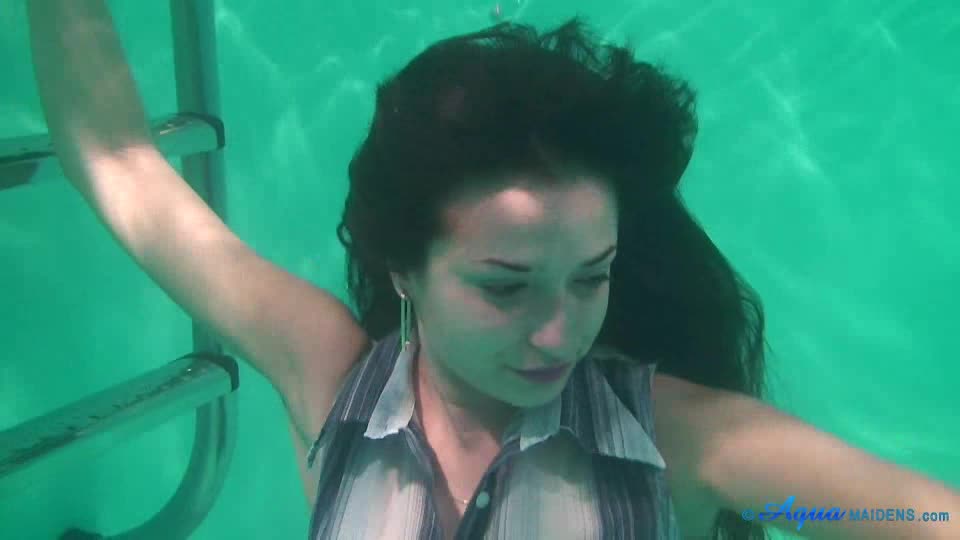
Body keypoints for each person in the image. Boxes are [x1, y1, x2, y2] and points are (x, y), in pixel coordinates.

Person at [25, 1, 959, 539]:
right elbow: (121, 162)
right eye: (505, 286)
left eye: (591, 276)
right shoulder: (331, 377)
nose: (560, 332)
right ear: (403, 266)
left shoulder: (679, 438)